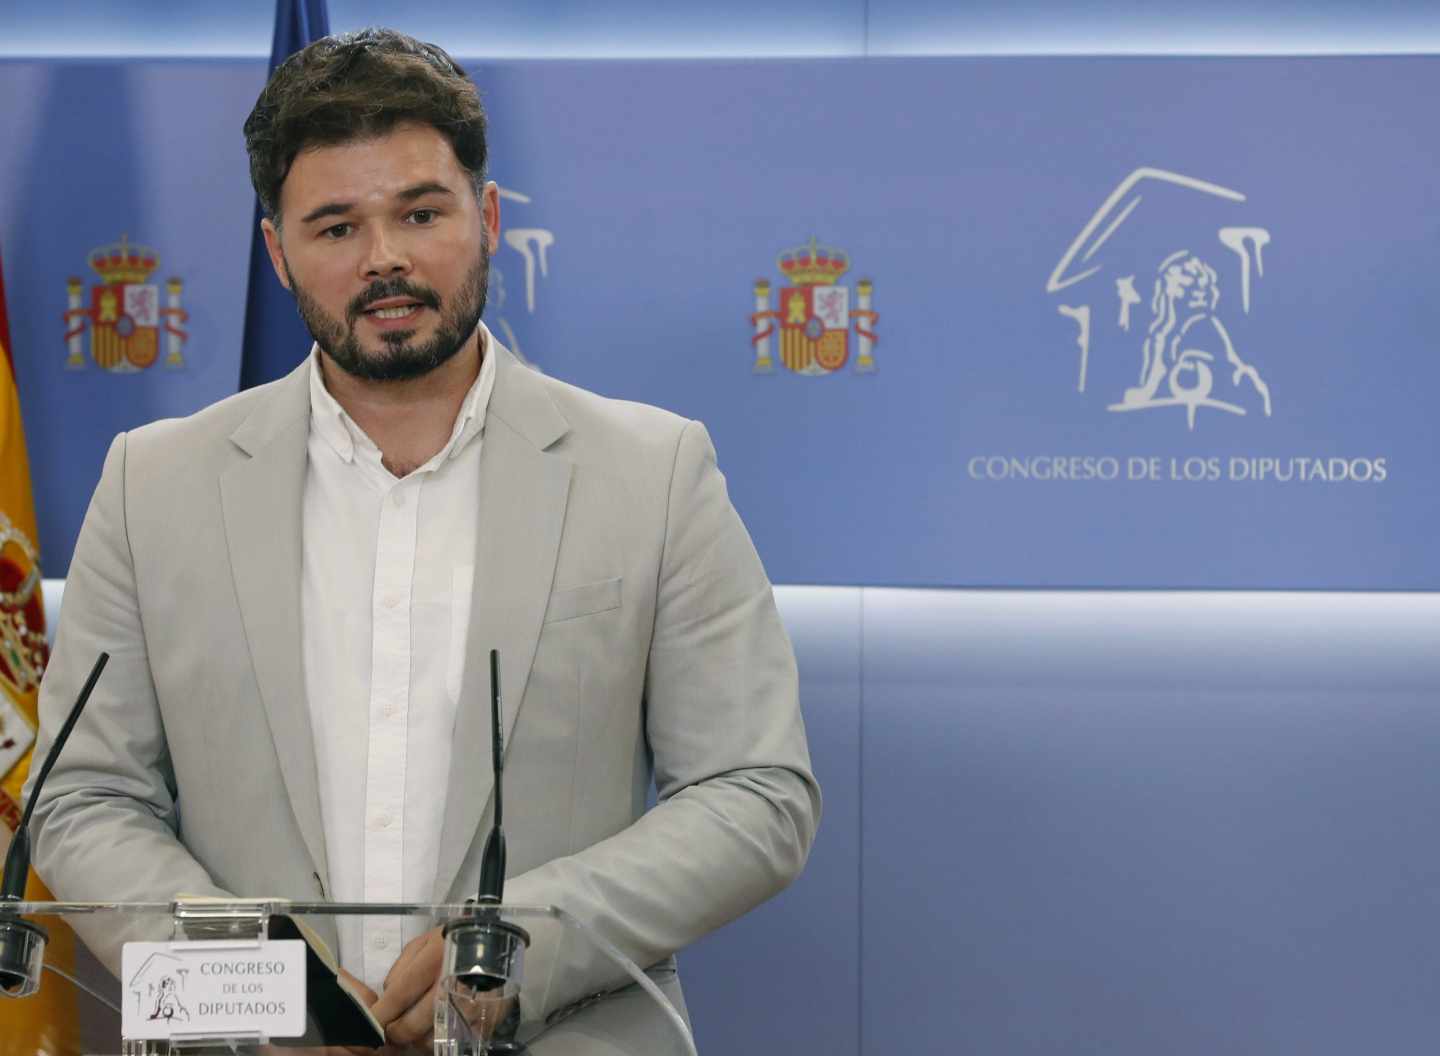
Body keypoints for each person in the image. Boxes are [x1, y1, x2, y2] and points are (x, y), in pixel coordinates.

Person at [26, 28, 819, 1052]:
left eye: (420, 212)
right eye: (336, 226)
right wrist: (254, 991)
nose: (384, 257)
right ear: (276, 252)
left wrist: (519, 946)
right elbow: (84, 799)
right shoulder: (154, 484)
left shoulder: (652, 472)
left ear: (486, 220)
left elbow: (756, 794)